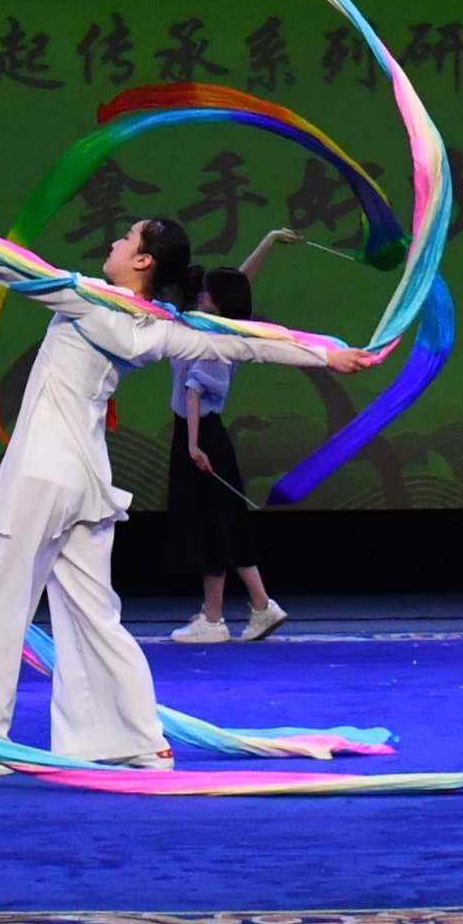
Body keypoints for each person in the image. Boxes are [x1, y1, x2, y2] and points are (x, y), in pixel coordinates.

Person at [0, 210, 376, 773]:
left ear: (142, 260)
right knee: (93, 617)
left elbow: (8, 264)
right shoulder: (160, 327)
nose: (115, 242)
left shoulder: (89, 300)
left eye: (126, 238)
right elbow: (245, 342)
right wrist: (327, 354)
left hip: (39, 479)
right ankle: (131, 739)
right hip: (85, 486)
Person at [166, 235, 296, 644]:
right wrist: (268, 242)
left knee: (211, 525)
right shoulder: (223, 326)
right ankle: (261, 605)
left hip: (201, 435)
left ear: (219, 304)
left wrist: (192, 444)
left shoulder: (215, 342)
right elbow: (240, 279)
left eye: (209, 293)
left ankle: (213, 619)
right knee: (228, 522)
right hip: (206, 435)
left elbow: (194, 392)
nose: (202, 295)